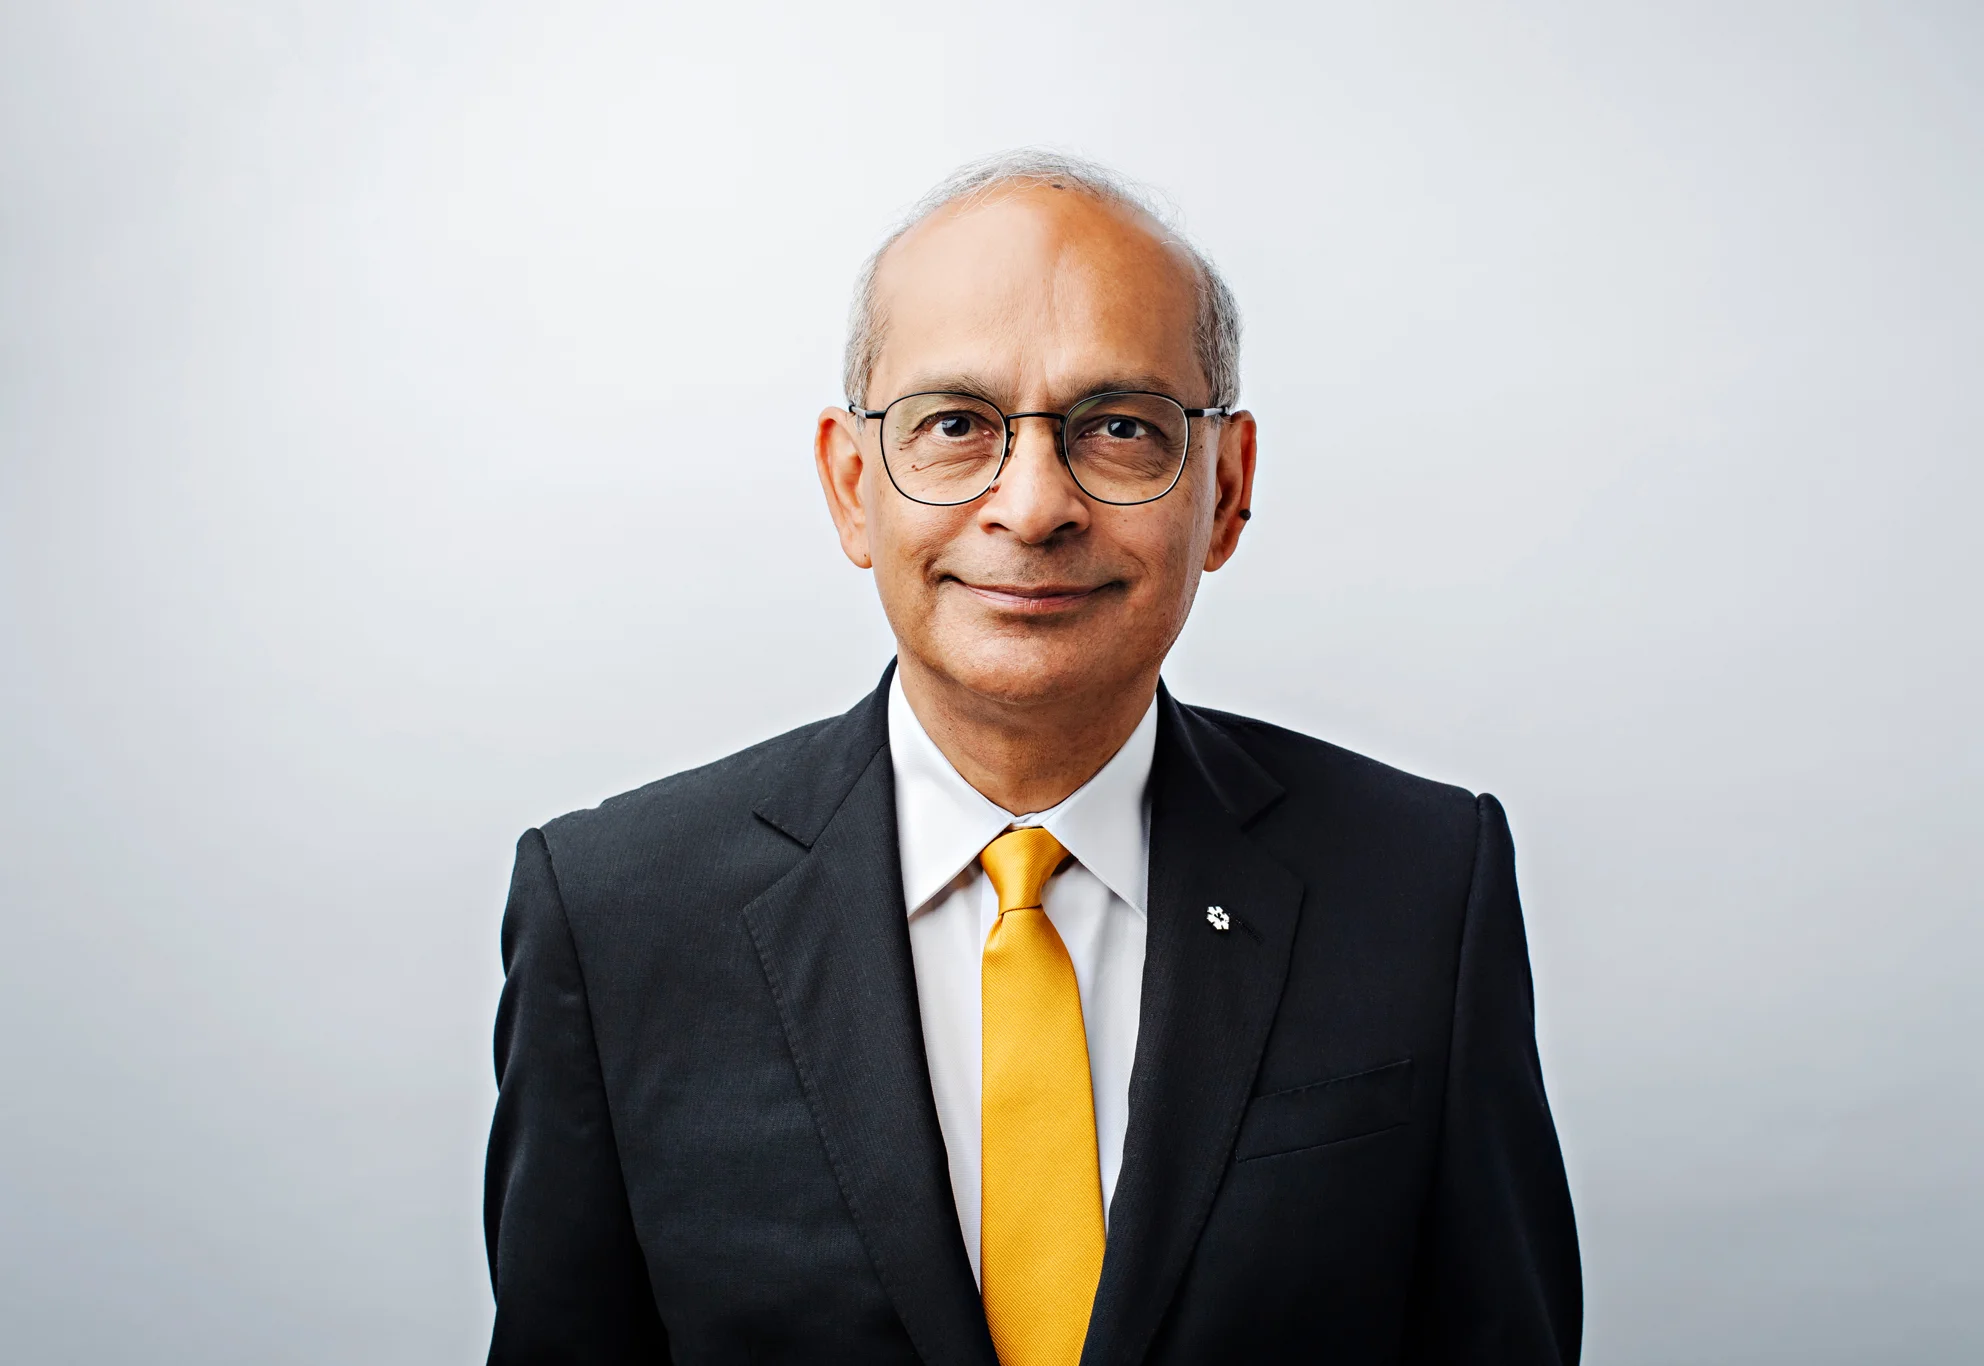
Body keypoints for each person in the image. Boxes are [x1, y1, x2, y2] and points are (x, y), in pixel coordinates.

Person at [484, 150, 1581, 1365]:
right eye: (955, 426)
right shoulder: (613, 914)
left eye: (1117, 427)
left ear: (1226, 489)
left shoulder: (1423, 885)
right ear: (852, 487)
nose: (1032, 502)